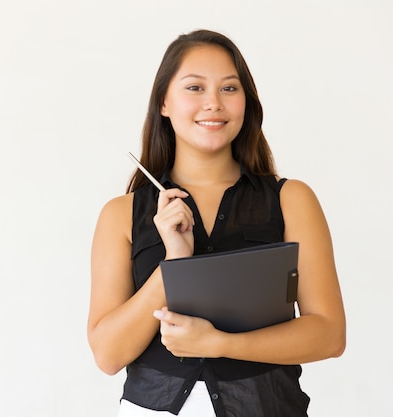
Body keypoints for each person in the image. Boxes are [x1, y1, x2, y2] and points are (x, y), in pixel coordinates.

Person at [87, 29, 346, 417]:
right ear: (163, 102)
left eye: (229, 88)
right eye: (194, 88)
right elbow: (108, 355)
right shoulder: (121, 214)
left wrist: (220, 343)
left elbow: (329, 334)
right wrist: (173, 265)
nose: (213, 103)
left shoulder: (291, 200)